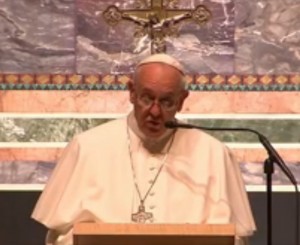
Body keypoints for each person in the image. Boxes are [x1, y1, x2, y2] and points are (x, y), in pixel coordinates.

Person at [32, 53, 256, 245]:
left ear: (182, 100)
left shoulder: (213, 153)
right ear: (131, 92)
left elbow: (232, 239)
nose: (155, 112)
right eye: (147, 98)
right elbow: (61, 237)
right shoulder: (87, 146)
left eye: (167, 101)